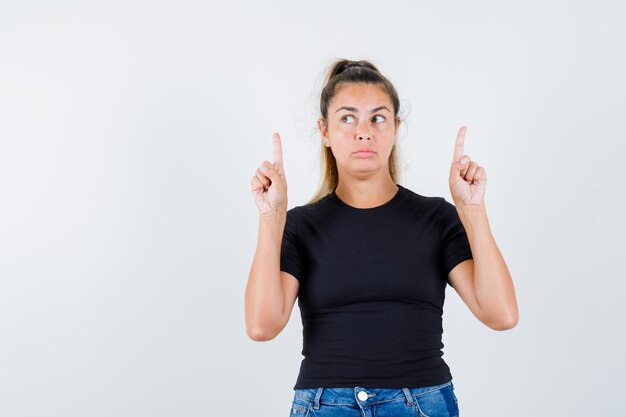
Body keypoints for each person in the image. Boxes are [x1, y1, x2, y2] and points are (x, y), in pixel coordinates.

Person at [245, 59, 518, 417]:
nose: (363, 132)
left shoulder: (436, 218)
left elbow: (501, 314)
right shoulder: (298, 225)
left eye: (377, 118)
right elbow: (262, 326)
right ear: (324, 131)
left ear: (395, 127)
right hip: (325, 406)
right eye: (347, 118)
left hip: (421, 404)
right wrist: (271, 217)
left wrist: (472, 210)